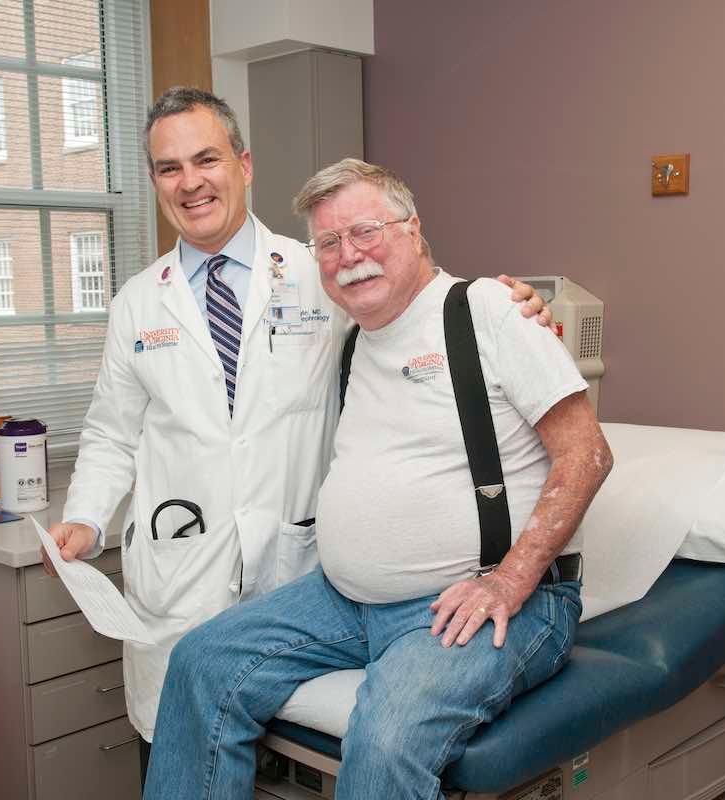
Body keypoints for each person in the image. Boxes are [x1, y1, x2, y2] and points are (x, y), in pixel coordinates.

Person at [40, 88, 551, 770]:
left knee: (287, 769)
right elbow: (111, 432)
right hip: (181, 568)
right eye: (169, 168)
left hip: (294, 564)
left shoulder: (320, 269)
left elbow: (418, 305)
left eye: (206, 159)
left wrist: (511, 309)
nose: (190, 182)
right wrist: (85, 519)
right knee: (184, 740)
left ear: (244, 165)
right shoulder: (137, 302)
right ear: (155, 181)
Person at [142, 159, 613, 800]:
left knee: (387, 737)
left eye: (365, 231)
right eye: (328, 243)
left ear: (413, 230)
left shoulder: (487, 311)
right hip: (344, 601)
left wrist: (509, 580)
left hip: (484, 599)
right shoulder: (352, 340)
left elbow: (587, 454)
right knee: (201, 662)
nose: (349, 256)